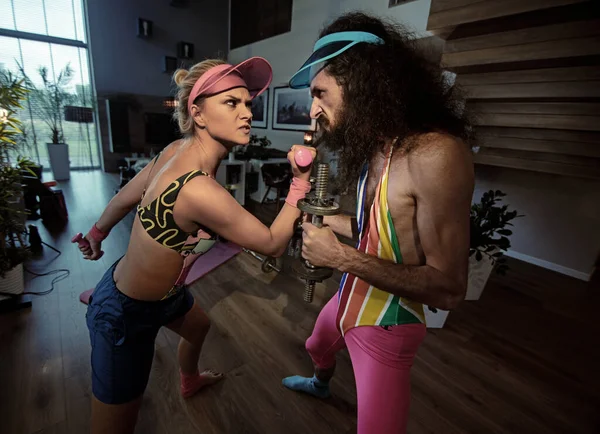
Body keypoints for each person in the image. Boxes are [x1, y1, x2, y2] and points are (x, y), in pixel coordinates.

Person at [78, 57, 316, 434]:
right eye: (231, 103)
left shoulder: (176, 149)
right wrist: (301, 183)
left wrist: (97, 233)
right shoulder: (199, 189)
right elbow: (272, 244)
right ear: (199, 115)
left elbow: (126, 196)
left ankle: (188, 380)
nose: (246, 113)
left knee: (199, 326)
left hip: (165, 298)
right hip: (125, 315)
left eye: (248, 103)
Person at [281, 12, 475, 434]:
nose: (312, 109)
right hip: (347, 299)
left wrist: (341, 258)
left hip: (386, 325)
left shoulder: (436, 154)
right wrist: (329, 220)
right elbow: (381, 229)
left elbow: (450, 288)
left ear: (362, 81)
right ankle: (320, 384)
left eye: (320, 93)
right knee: (316, 345)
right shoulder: (377, 146)